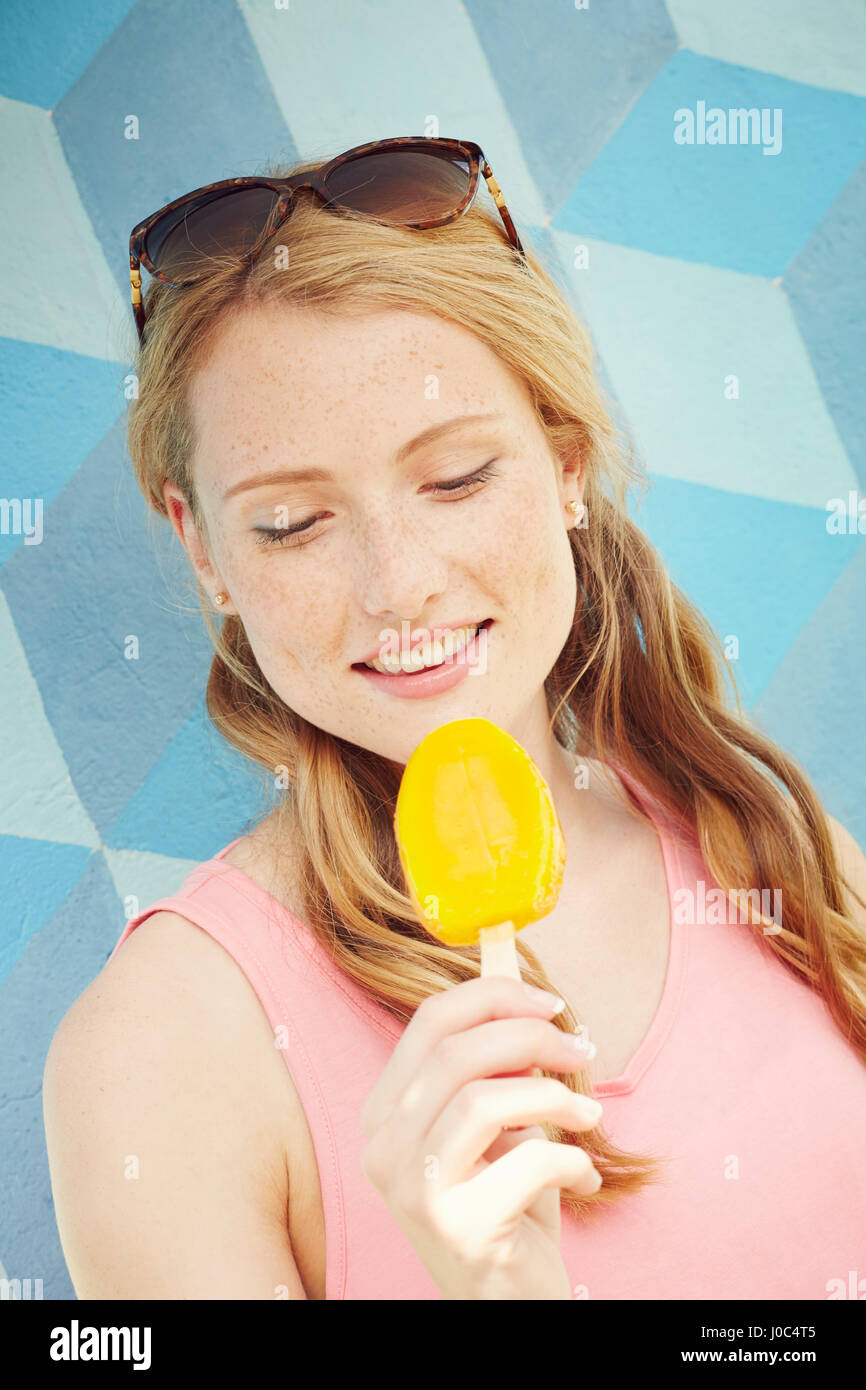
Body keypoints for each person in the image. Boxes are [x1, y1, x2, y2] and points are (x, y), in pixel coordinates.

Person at [42, 139, 866, 1301]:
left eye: (456, 477)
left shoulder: (777, 851)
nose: (398, 584)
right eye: (290, 522)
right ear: (202, 548)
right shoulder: (159, 1050)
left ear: (566, 459)